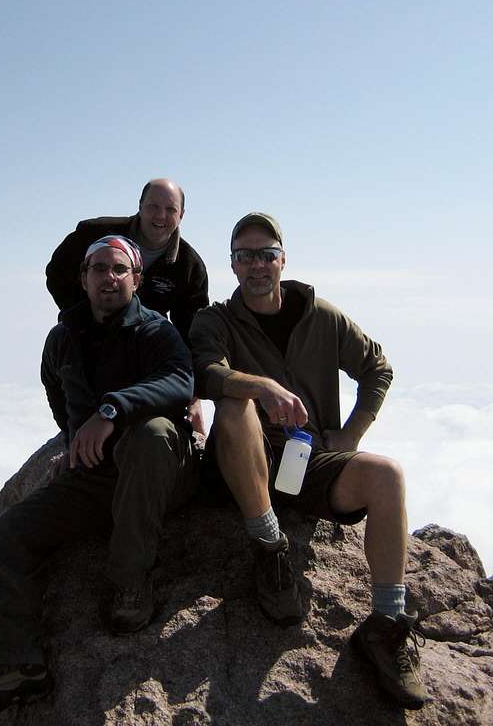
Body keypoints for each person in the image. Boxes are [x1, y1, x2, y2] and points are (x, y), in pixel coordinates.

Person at [0, 236, 198, 719]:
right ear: (83, 278)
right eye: (99, 269)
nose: (109, 277)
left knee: (150, 432)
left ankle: (129, 582)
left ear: (137, 279)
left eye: (120, 269)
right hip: (98, 478)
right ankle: (16, 663)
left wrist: (111, 410)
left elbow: (179, 383)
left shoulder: (154, 333)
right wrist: (73, 441)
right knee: (11, 532)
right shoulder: (63, 338)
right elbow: (58, 395)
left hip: (163, 473)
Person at [189, 213, 430, 710]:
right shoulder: (215, 320)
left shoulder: (321, 317)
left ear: (283, 259)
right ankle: (269, 546)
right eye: (245, 255)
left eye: (266, 254)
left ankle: (387, 623)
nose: (256, 265)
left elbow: (377, 368)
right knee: (236, 405)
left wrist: (350, 435)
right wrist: (263, 386)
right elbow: (207, 372)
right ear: (232, 265)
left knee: (387, 476)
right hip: (239, 465)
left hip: (307, 463)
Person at [45, 177, 209, 432]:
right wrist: (85, 314)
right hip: (87, 336)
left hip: (143, 344)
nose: (160, 216)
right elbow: (56, 273)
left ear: (182, 215)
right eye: (153, 206)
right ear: (140, 206)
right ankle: (75, 441)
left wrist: (193, 397)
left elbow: (192, 333)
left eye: (170, 209)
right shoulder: (92, 234)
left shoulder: (189, 266)